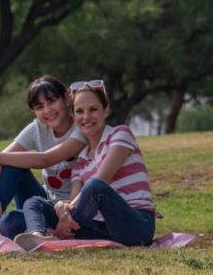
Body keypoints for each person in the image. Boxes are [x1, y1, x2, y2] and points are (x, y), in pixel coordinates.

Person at [15, 81, 156, 251]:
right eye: (80, 111)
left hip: (136, 226)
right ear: (73, 116)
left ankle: (60, 233)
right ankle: (38, 240)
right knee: (34, 202)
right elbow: (76, 204)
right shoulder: (80, 163)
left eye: (93, 109)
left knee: (95, 186)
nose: (86, 117)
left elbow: (101, 180)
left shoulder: (120, 134)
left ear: (106, 110)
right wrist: (64, 207)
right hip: (99, 229)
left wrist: (64, 220)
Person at [0, 76, 88, 239]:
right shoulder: (37, 128)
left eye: (52, 101)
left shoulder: (82, 127)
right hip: (44, 205)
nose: (47, 110)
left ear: (66, 98)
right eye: (39, 106)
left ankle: (40, 230)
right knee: (8, 217)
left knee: (9, 223)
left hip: (72, 209)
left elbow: (45, 160)